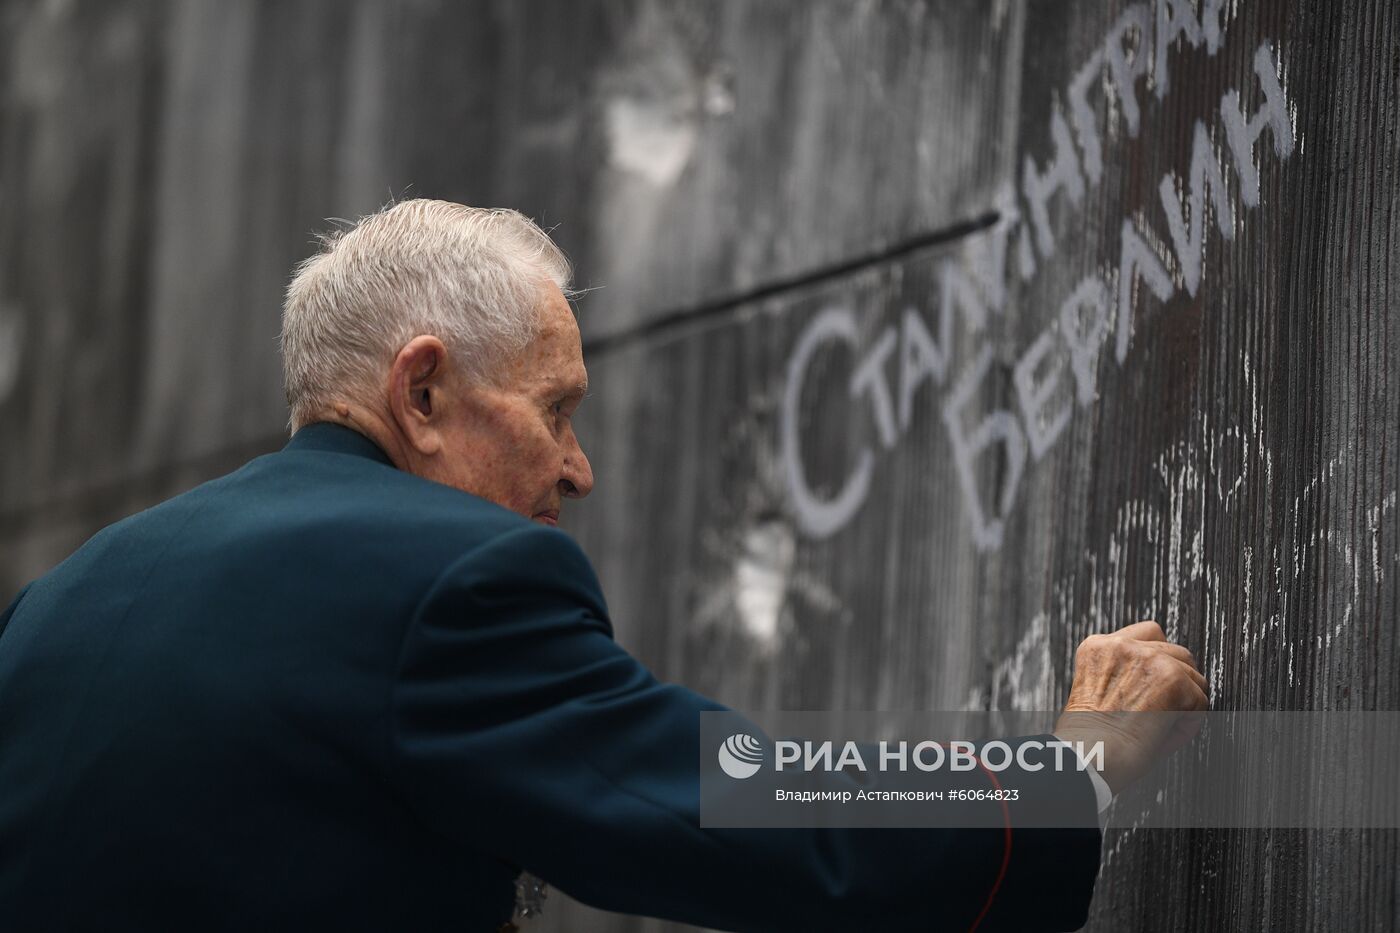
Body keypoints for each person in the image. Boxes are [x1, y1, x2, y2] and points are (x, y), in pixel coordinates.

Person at [0, 200, 1207, 931]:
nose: (577, 470)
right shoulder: (444, 584)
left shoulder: (61, 602)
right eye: (555, 410)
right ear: (422, 393)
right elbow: (726, 799)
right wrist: (1062, 781)